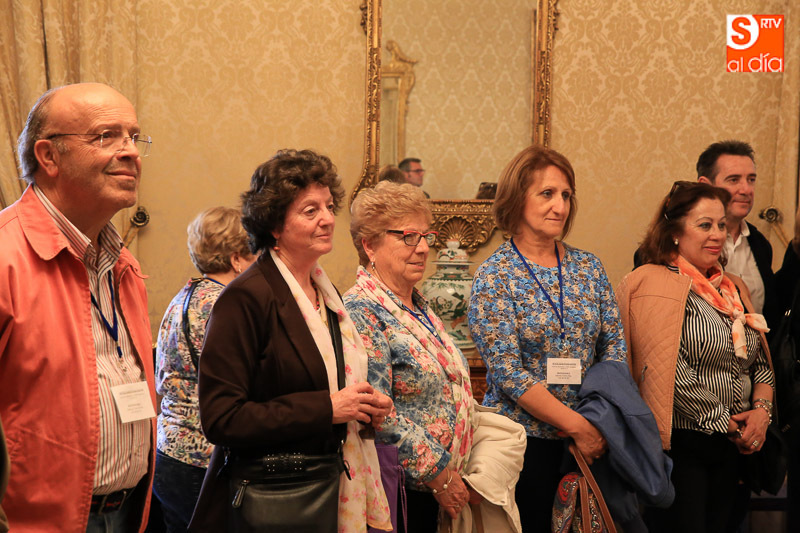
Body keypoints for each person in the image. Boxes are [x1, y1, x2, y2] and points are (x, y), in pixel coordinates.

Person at [188, 149, 392, 532]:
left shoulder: (325, 291)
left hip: (329, 479)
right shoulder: (244, 298)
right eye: (310, 210)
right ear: (275, 225)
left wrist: (362, 406)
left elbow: (328, 385)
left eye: (329, 206)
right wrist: (327, 408)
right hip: (275, 495)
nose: (327, 219)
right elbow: (221, 418)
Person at [0, 83, 156, 532]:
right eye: (106, 136)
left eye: (134, 137)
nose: (131, 152)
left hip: (128, 513)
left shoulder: (123, 265)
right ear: (49, 156)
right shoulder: (5, 257)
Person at [467, 144, 628, 532]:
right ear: (517, 198)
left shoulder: (588, 267)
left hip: (592, 437)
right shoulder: (495, 275)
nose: (560, 206)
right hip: (522, 443)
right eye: (547, 194)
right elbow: (508, 373)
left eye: (566, 195)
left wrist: (596, 420)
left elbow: (614, 345)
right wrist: (575, 425)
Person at [616, 181, 774, 533]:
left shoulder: (733, 286)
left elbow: (761, 361)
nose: (717, 234)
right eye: (704, 225)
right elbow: (666, 371)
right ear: (674, 232)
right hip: (683, 448)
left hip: (737, 447)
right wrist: (730, 424)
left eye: (721, 224)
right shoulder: (650, 284)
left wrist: (761, 414)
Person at [345, 181, 497, 532]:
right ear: (369, 244)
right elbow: (377, 413)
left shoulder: (417, 304)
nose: (424, 248)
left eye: (427, 236)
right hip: (400, 492)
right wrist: (440, 476)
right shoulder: (361, 310)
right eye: (408, 237)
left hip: (434, 492)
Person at [152, 207, 256, 532]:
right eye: (256, 254)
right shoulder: (228, 306)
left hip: (167, 454)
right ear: (237, 259)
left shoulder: (180, 298)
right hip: (205, 461)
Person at [696, 140, 800, 322]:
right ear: (706, 185)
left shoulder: (759, 243)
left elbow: (774, 308)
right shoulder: (685, 242)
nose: (746, 190)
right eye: (734, 180)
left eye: (751, 180)